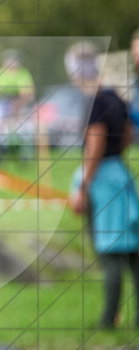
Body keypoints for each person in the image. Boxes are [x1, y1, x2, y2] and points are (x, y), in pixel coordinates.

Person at [66, 41, 139, 330]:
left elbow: (95, 145)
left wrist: (84, 185)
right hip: (119, 172)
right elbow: (128, 135)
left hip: (102, 180)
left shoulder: (94, 101)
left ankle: (109, 318)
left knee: (110, 253)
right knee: (132, 252)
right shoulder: (116, 98)